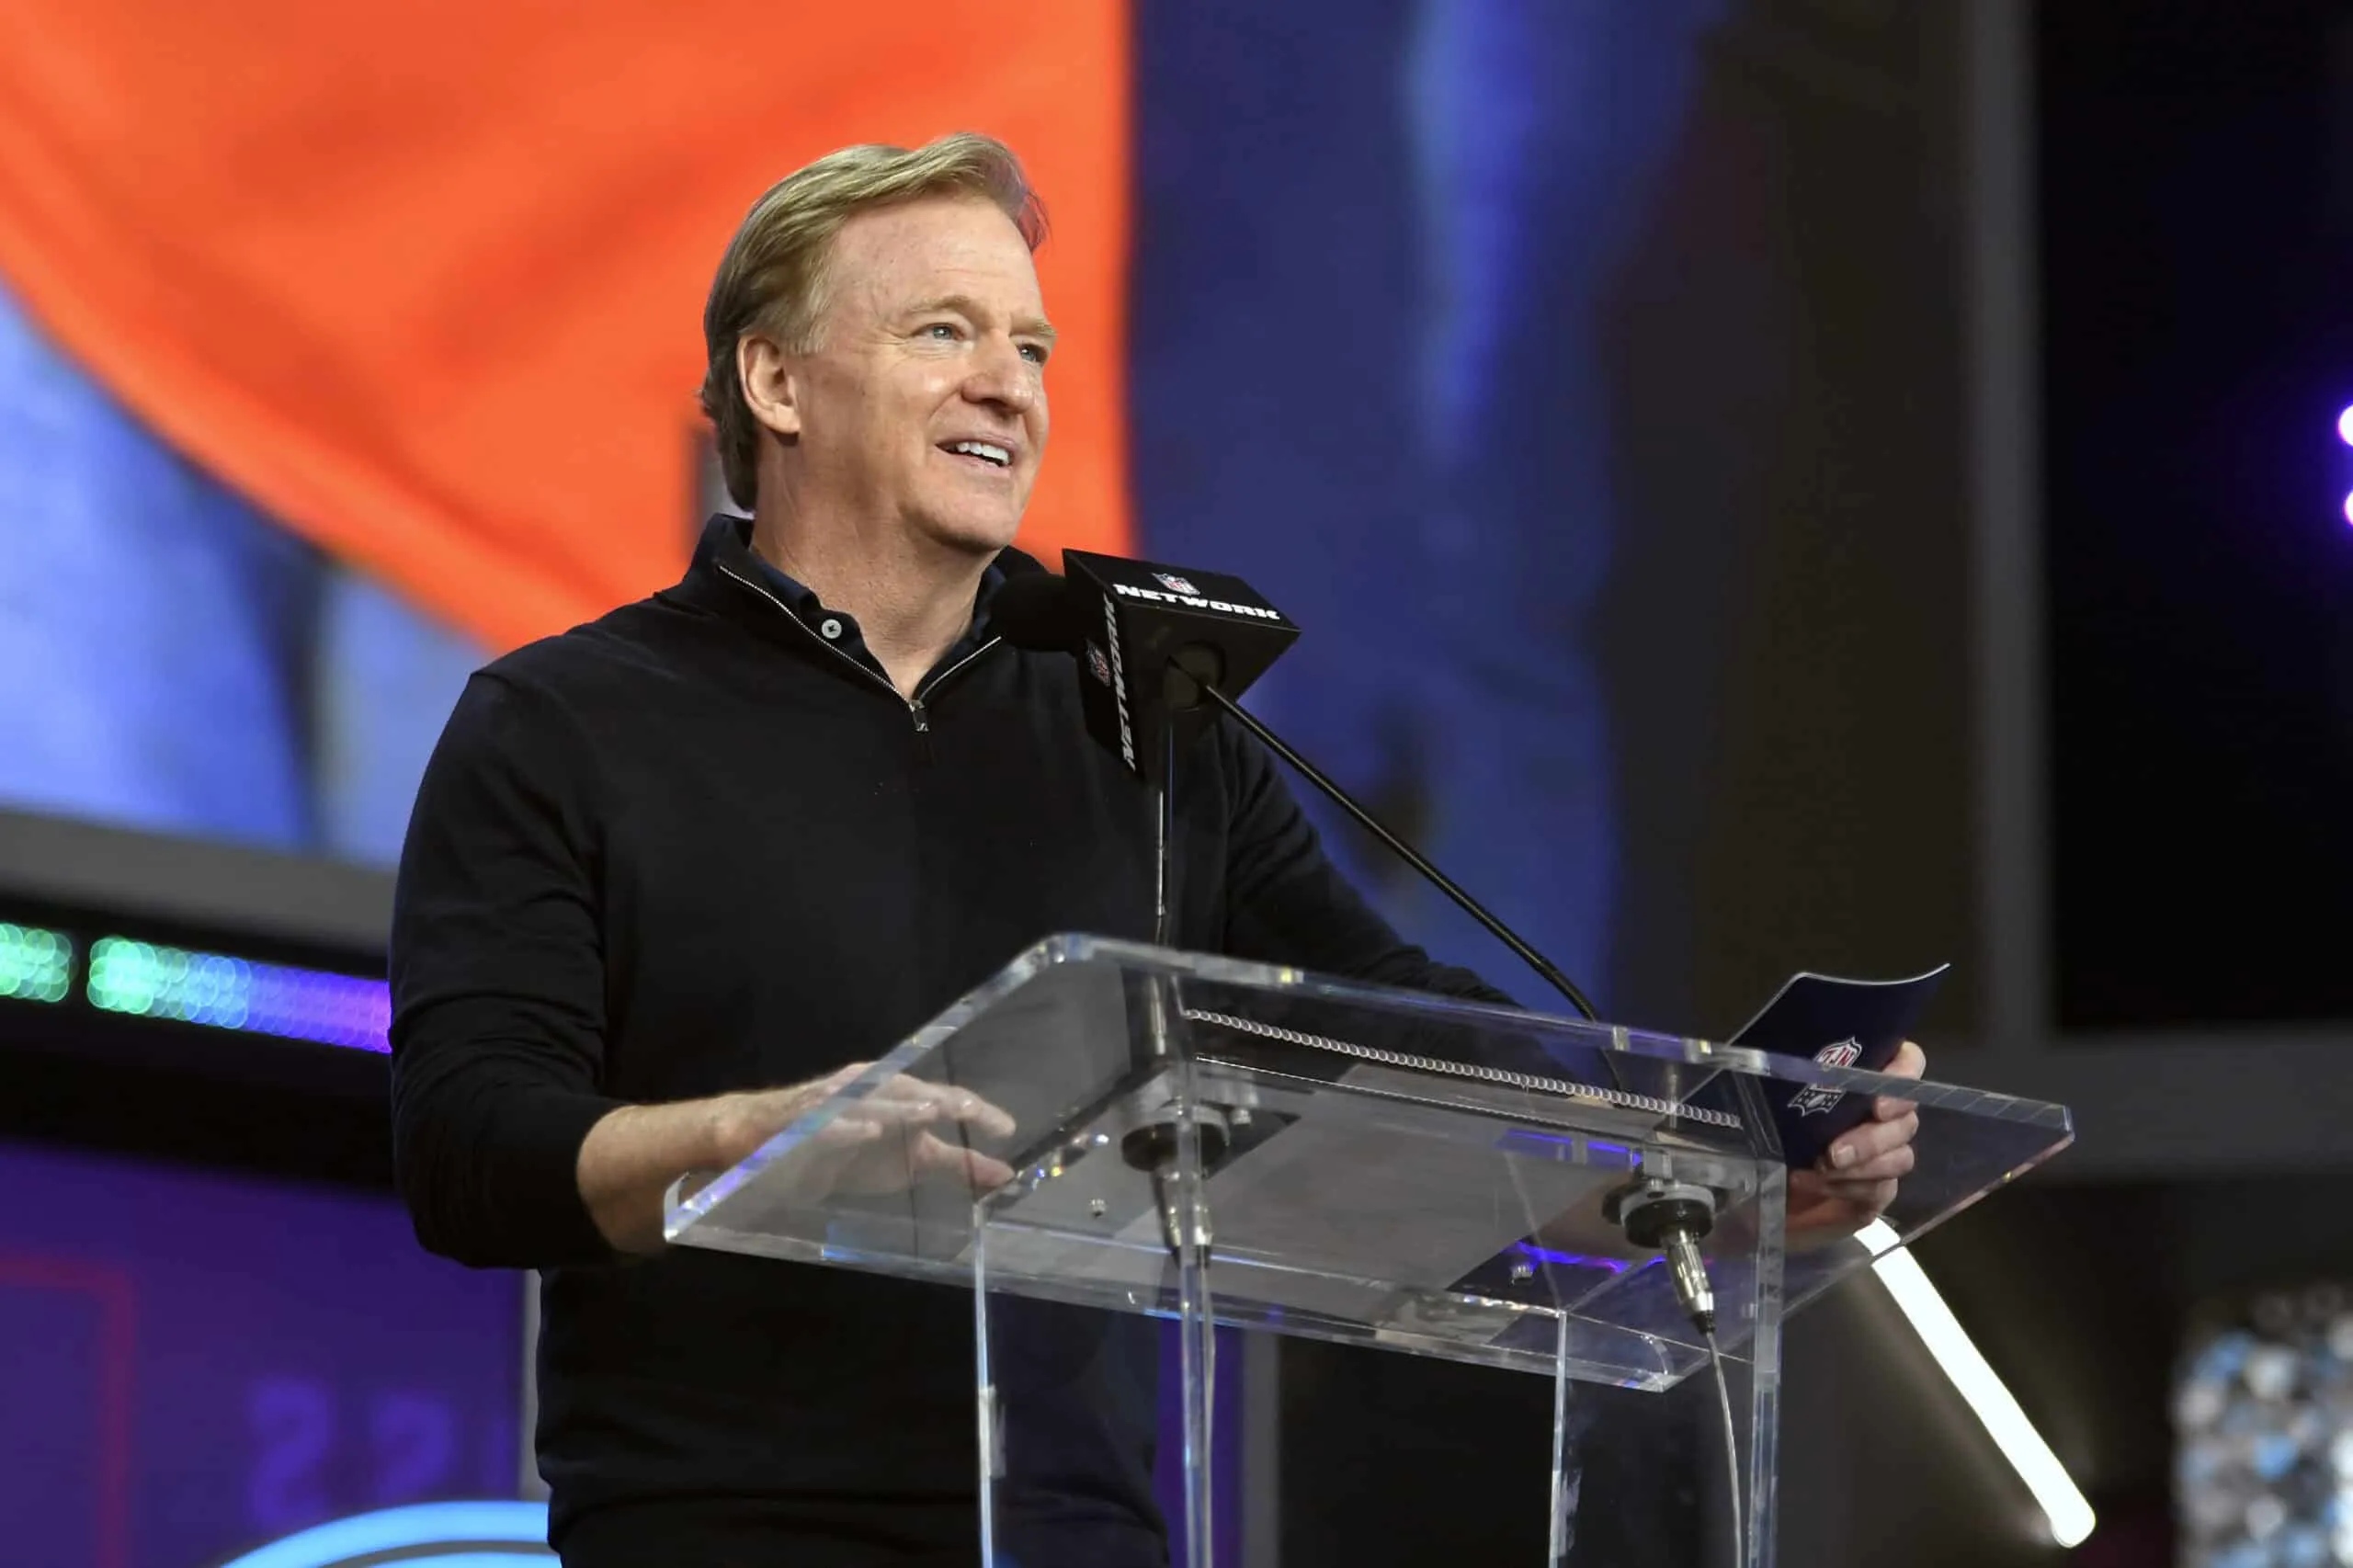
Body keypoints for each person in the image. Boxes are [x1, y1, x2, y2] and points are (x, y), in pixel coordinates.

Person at [388, 132, 1924, 1566]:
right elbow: (469, 1149)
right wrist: (760, 1144)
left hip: (1079, 1531)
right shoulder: (565, 723)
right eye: (944, 332)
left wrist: (1704, 1170)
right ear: (776, 380)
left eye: (1032, 347)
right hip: (726, 1531)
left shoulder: (1142, 724)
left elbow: (1397, 1046)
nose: (1007, 386)